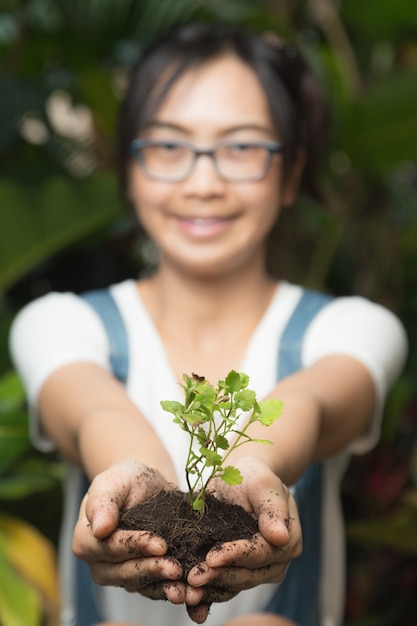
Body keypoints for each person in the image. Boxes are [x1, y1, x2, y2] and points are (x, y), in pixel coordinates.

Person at [9, 21, 407, 626]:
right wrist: (135, 481)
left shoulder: (353, 330)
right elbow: (96, 412)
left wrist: (253, 468)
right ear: (130, 166)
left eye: (242, 147)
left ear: (292, 171)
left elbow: (312, 402)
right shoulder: (59, 324)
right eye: (168, 146)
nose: (203, 182)